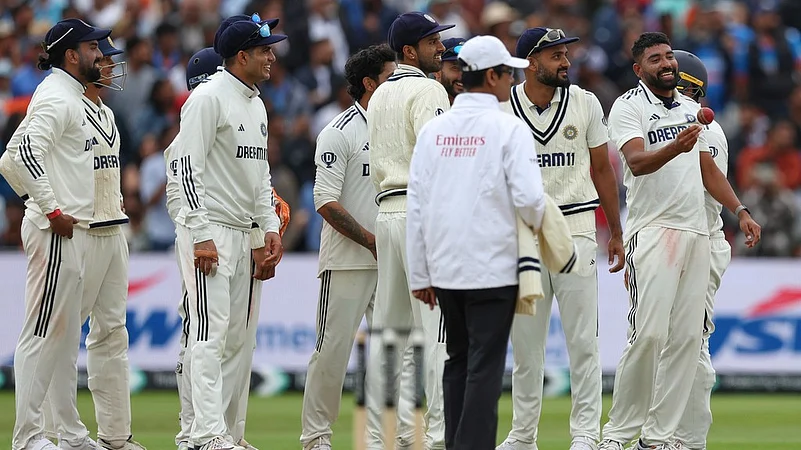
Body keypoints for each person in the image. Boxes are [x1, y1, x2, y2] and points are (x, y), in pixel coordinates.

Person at [598, 32, 760, 450]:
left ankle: (656, 438)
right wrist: (676, 146)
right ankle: (617, 434)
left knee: (688, 341)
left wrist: (739, 211)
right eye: (655, 59)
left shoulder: (692, 109)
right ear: (640, 69)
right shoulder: (627, 107)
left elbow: (708, 170)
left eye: (669, 56)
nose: (666, 63)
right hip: (653, 230)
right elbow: (635, 161)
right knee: (649, 335)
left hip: (696, 233)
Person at [407, 34, 540, 450]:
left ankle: (455, 445)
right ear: (494, 75)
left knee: (458, 361)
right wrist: (537, 230)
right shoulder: (508, 128)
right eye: (508, 74)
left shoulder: (435, 130)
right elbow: (531, 201)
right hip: (494, 266)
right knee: (484, 365)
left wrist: (420, 272)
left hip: (446, 267)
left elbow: (417, 206)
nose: (511, 82)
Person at [496, 27, 624, 450]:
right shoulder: (503, 108)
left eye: (566, 53)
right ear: (531, 62)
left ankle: (586, 433)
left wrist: (616, 230)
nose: (566, 61)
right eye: (555, 55)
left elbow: (602, 170)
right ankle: (522, 435)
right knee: (526, 345)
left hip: (576, 229)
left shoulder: (585, 102)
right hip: (522, 235)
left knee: (583, 340)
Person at [168, 44, 292, 450]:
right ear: (241, 56)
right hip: (212, 232)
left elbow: (260, 178)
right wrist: (201, 234)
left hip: (244, 232)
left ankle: (226, 434)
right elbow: (187, 171)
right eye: (264, 51)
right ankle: (204, 434)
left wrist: (267, 229)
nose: (272, 57)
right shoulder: (205, 98)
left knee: (238, 340)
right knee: (207, 335)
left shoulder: (255, 105)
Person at [300, 43, 418, 450]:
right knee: (331, 352)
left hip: (393, 261)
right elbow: (324, 201)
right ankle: (316, 437)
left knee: (397, 353)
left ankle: (400, 437)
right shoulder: (338, 131)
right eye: (391, 75)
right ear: (369, 83)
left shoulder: (401, 126)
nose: (400, 82)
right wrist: (371, 241)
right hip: (349, 261)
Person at [37, 35, 145, 450]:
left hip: (111, 227)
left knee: (112, 333)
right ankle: (55, 434)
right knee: (62, 335)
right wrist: (49, 208)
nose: (108, 64)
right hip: (76, 230)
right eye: (101, 57)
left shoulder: (107, 113)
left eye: (109, 58)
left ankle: (116, 436)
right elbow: (26, 158)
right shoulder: (62, 102)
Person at [7, 18, 109, 450]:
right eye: (93, 48)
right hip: (58, 231)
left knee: (65, 336)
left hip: (75, 230)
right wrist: (50, 208)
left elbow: (20, 158)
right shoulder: (55, 94)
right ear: (71, 55)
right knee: (42, 331)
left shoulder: (71, 94)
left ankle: (66, 432)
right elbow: (20, 154)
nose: (101, 57)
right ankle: (28, 436)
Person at [365, 11, 453, 450]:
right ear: (408, 51)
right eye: (433, 41)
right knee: (437, 335)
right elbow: (437, 158)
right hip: (421, 213)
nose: (441, 47)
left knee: (391, 338)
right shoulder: (429, 88)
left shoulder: (378, 94)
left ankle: (387, 439)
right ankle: (436, 439)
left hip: (386, 212)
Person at [669, 49, 731, 450]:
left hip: (700, 240)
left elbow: (700, 196)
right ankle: (666, 435)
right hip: (678, 241)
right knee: (668, 344)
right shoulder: (681, 123)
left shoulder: (703, 130)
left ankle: (688, 441)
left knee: (692, 343)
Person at [433, 37, 465, 103]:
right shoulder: (426, 103)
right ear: (437, 72)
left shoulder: (483, 107)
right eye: (455, 68)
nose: (462, 76)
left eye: (467, 68)